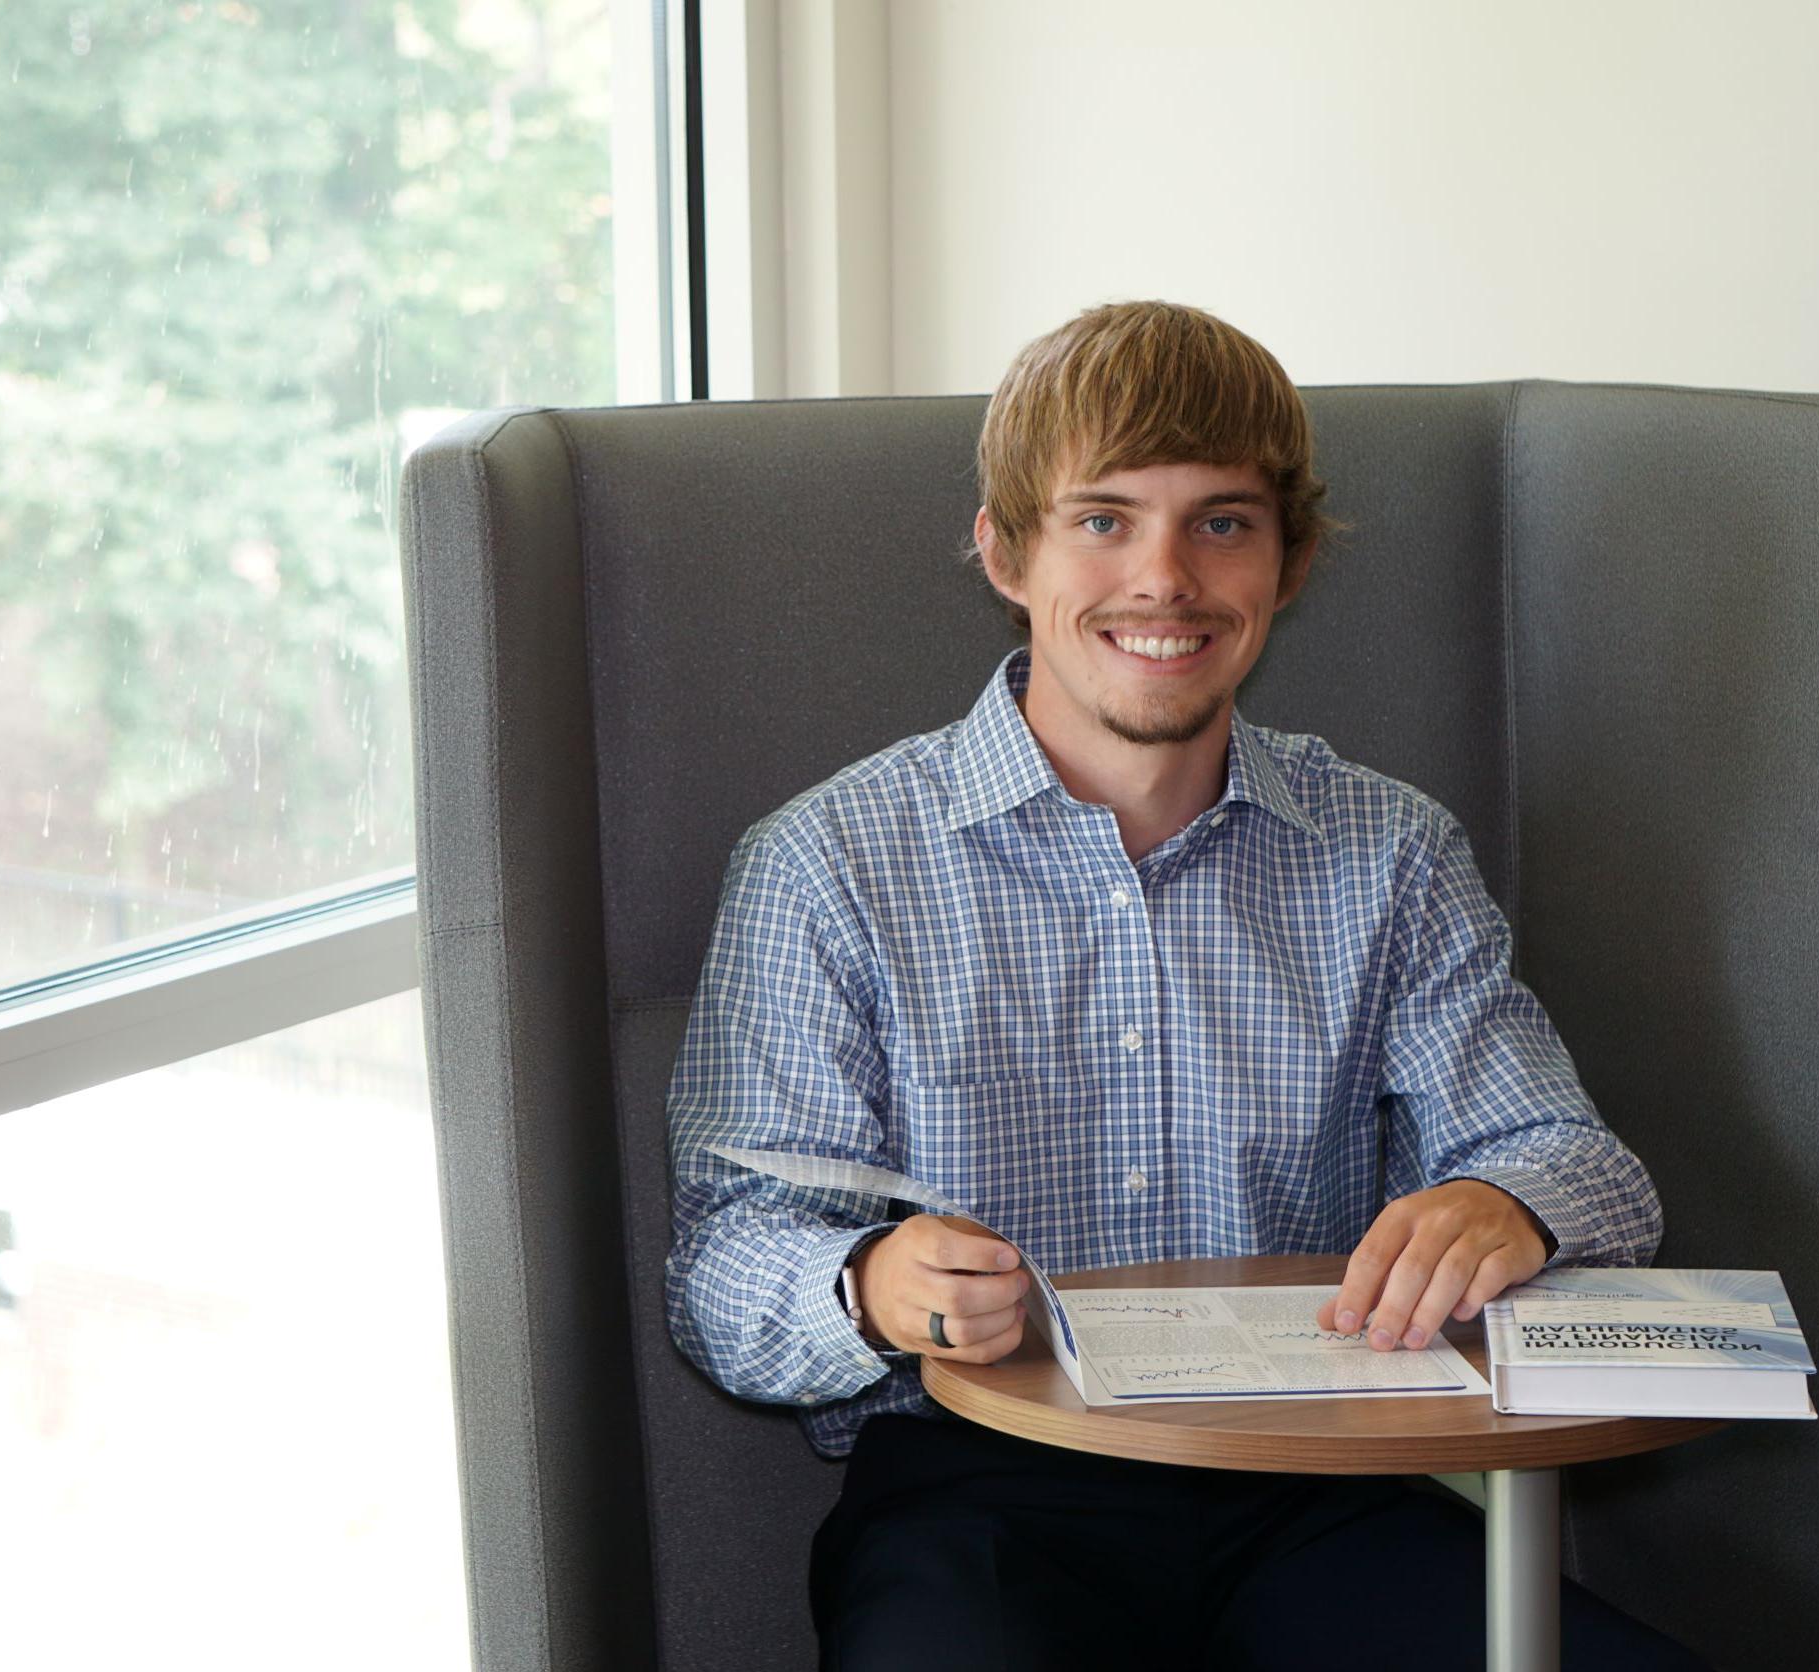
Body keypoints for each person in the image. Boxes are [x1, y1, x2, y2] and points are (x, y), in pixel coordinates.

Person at [663, 301, 1708, 1669]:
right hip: (980, 1502)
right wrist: (864, 1284)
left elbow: (1583, 1165)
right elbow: (721, 1264)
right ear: (1005, 548)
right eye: (1103, 519)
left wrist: (1501, 1202)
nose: (1165, 578)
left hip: (1319, 1496)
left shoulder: (1391, 852)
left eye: (1221, 522)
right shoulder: (826, 864)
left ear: (1291, 563)